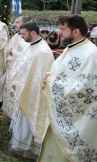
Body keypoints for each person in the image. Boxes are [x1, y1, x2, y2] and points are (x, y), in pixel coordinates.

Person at [39, 14, 97, 162]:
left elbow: (85, 90)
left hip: (76, 120)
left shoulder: (91, 54)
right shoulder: (70, 48)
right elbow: (63, 73)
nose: (59, 32)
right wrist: (50, 75)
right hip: (59, 112)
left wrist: (52, 81)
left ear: (75, 32)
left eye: (62, 29)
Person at [8, 22, 54, 159]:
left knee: (29, 121)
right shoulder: (31, 45)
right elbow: (22, 63)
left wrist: (27, 89)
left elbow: (39, 76)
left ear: (33, 33)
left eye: (23, 34)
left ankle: (27, 147)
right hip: (25, 88)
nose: (21, 37)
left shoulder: (43, 51)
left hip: (34, 93)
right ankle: (19, 143)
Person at [2, 16, 30, 119]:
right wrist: (8, 51)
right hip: (11, 68)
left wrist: (12, 52)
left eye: (17, 22)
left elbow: (27, 57)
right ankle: (7, 112)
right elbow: (7, 47)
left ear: (24, 24)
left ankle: (14, 116)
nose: (15, 24)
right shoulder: (16, 36)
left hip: (18, 71)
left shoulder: (26, 39)